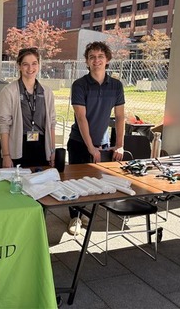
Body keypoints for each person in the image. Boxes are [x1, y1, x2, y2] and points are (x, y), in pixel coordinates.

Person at [67, 41, 125, 235]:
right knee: (76, 182)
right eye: (92, 57)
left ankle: (87, 214)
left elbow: (120, 116)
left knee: (96, 182)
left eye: (100, 56)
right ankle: (75, 216)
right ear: (87, 61)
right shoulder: (80, 85)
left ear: (107, 59)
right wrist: (90, 147)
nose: (96, 60)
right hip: (79, 143)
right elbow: (81, 117)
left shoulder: (116, 86)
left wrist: (119, 145)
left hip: (104, 144)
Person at [0, 47, 56, 168]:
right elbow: (4, 126)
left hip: (42, 148)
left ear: (39, 65)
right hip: (18, 148)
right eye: (25, 64)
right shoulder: (9, 91)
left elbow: (52, 124)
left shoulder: (47, 92)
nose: (30, 68)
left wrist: (52, 151)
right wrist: (6, 155)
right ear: (19, 66)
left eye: (34, 64)